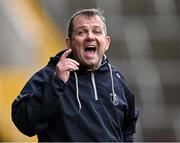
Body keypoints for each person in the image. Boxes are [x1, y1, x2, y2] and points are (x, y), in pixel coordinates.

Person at [11, 8, 138, 142]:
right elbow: (24, 123)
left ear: (106, 42)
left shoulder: (117, 80)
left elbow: (128, 130)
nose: (90, 36)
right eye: (81, 32)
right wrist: (56, 83)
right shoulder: (50, 75)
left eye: (96, 31)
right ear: (69, 43)